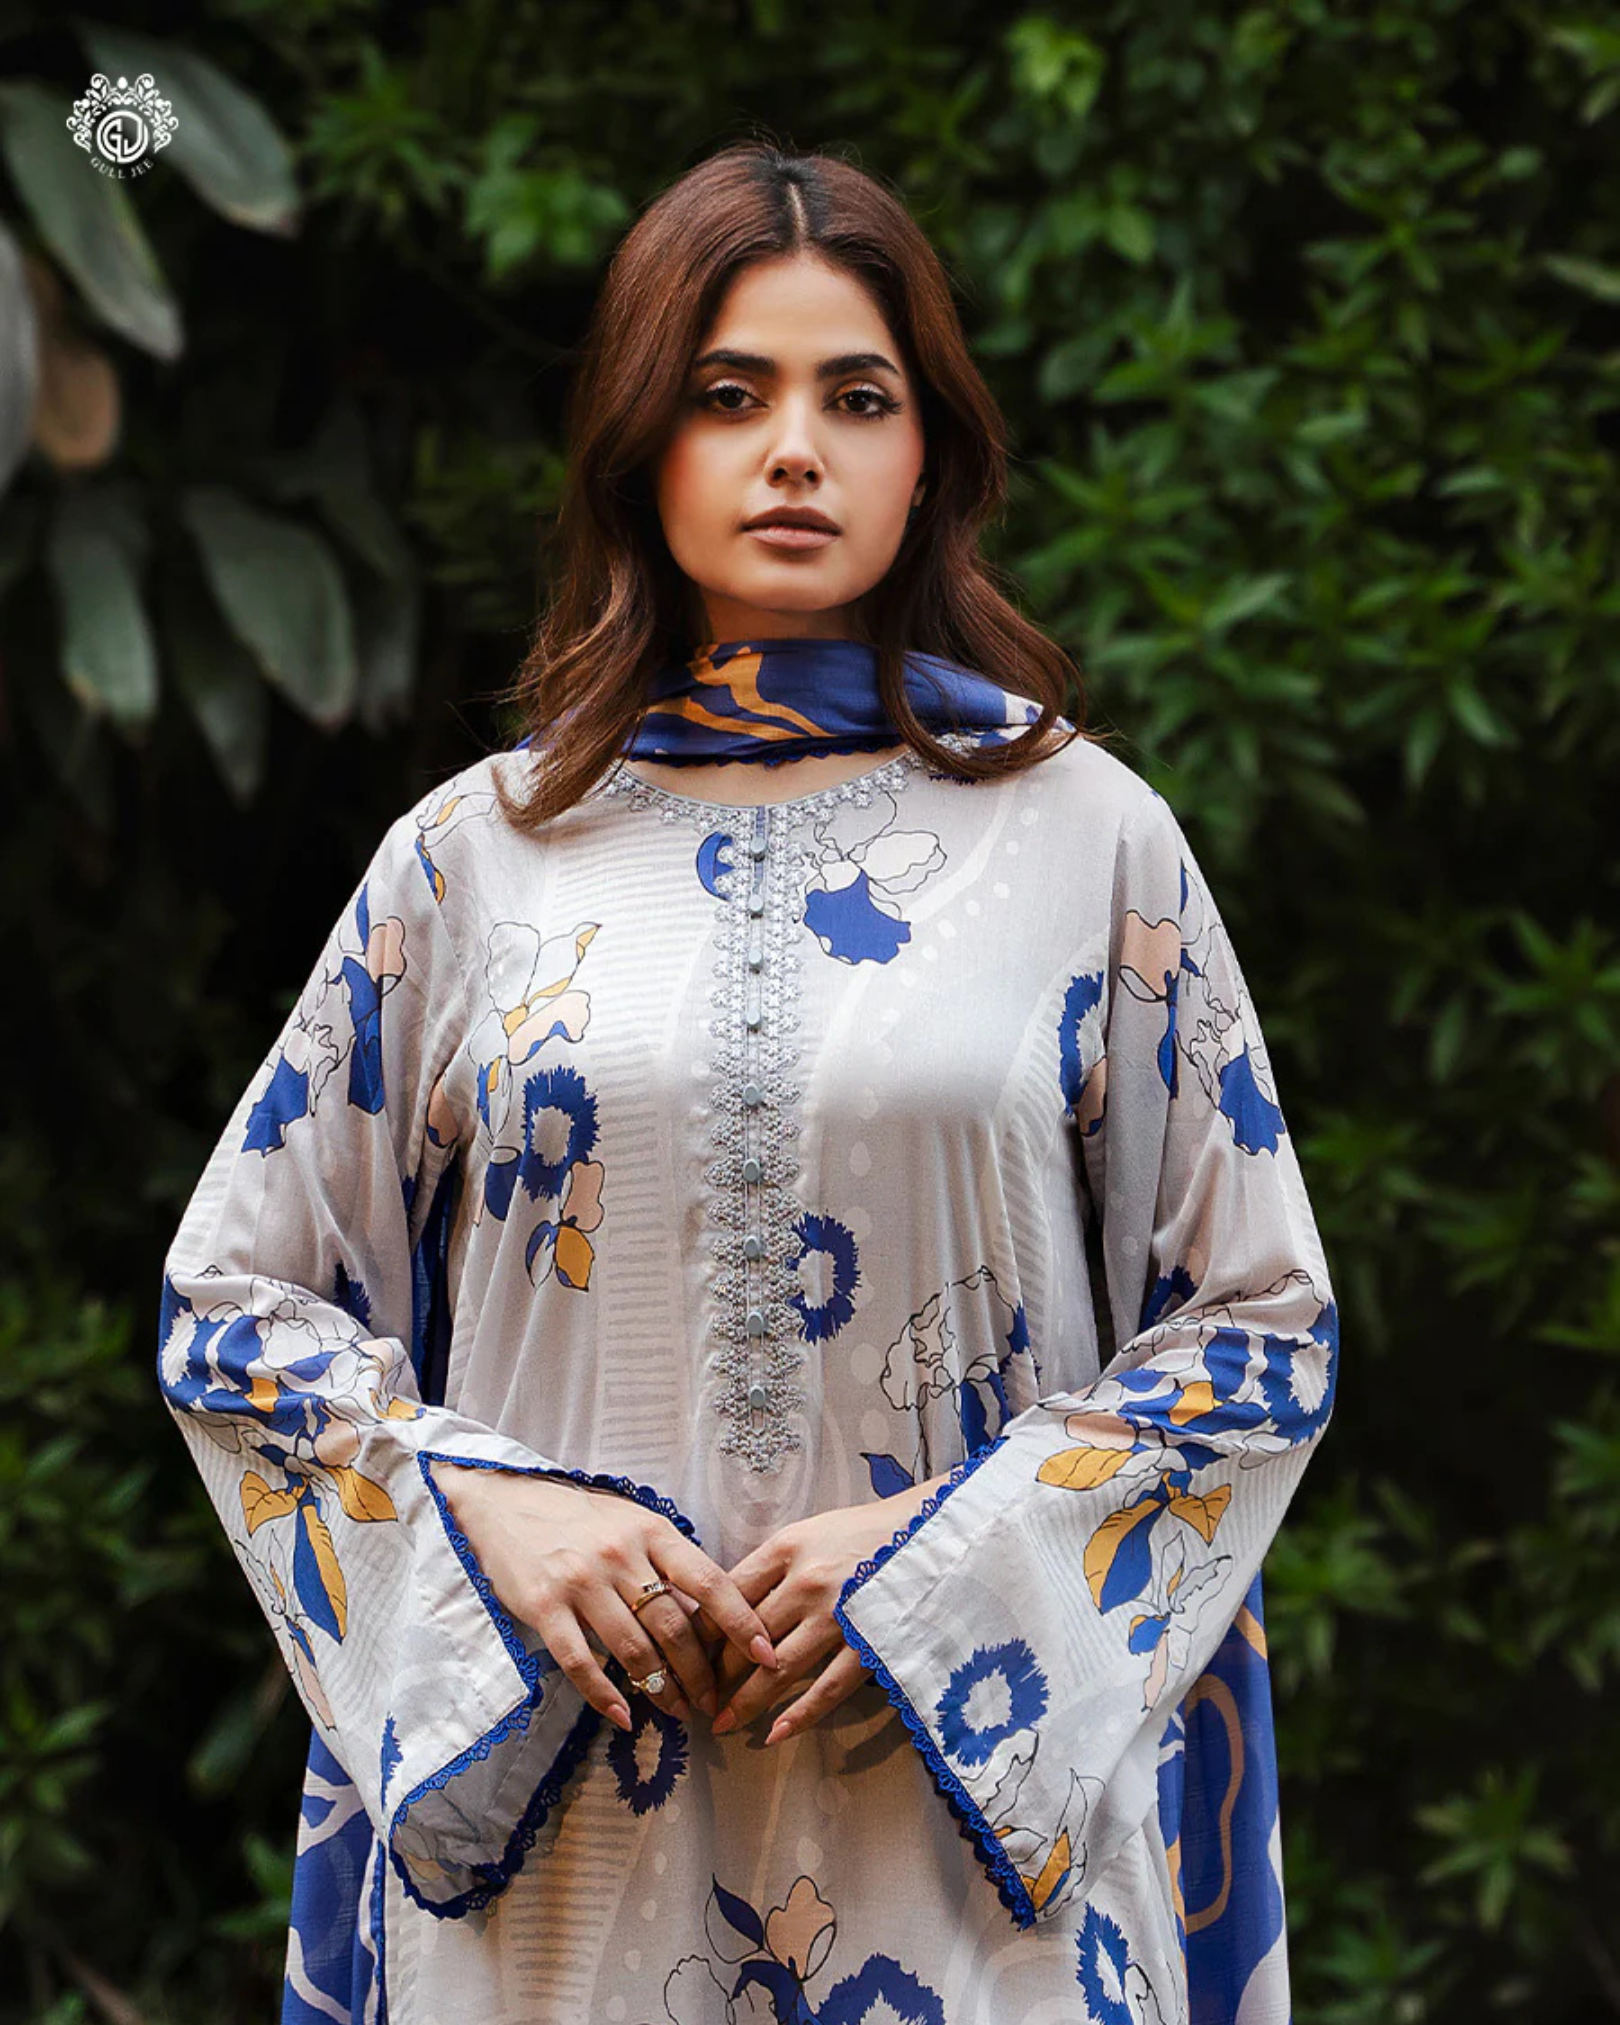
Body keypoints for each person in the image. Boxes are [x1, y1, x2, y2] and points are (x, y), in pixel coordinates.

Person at [158, 138, 1338, 2025]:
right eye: (730, 394)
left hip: (966, 1871)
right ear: (644, 444)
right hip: (563, 1871)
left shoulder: (1089, 842)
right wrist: (476, 1504)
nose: (795, 448)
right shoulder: (473, 862)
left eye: (855, 397)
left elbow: (1263, 1326)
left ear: (927, 450)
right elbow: (232, 1309)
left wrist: (951, 1561)